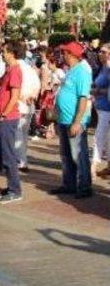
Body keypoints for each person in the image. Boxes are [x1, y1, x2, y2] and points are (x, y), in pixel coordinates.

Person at [49, 41, 92, 198]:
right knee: (66, 155)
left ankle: (84, 187)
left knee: (78, 155)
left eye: (65, 53)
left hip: (74, 121)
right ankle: (69, 184)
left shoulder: (82, 72)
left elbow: (83, 99)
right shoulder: (71, 70)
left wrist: (77, 122)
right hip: (64, 119)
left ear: (71, 55)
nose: (63, 55)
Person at [0, 41, 23, 204]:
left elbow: (14, 97)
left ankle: (15, 190)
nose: (2, 54)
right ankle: (11, 187)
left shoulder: (15, 71)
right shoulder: (8, 70)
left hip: (8, 118)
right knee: (5, 154)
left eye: (4, 51)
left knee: (9, 155)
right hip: (3, 117)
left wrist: (3, 113)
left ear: (11, 53)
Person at [15, 46, 40, 172]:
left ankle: (20, 161)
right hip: (28, 105)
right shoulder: (30, 69)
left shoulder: (16, 68)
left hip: (18, 105)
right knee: (23, 135)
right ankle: (22, 160)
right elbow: (37, 86)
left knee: (17, 135)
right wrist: (32, 96)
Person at [91, 43, 110, 177]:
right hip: (100, 107)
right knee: (107, 137)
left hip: (107, 109)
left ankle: (94, 164)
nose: (100, 54)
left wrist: (96, 91)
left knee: (99, 135)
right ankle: (109, 165)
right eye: (100, 51)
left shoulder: (108, 68)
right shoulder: (102, 68)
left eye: (103, 52)